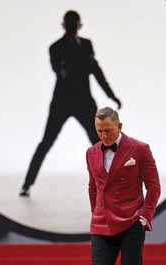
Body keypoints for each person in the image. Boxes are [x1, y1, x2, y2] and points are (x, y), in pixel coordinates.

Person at [81, 107, 160, 265]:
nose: (103, 136)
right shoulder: (91, 152)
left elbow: (154, 187)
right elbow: (93, 187)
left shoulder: (139, 149)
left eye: (108, 131)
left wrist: (144, 216)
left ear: (120, 127)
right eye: (99, 131)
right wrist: (97, 213)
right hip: (102, 224)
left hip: (130, 223)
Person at [21, 10, 121, 197]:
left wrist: (111, 94)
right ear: (64, 25)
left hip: (83, 101)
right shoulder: (55, 48)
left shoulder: (86, 45)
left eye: (75, 24)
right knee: (47, 142)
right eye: (70, 24)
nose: (72, 27)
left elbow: (96, 71)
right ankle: (26, 184)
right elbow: (59, 70)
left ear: (79, 25)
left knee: (100, 143)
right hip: (63, 102)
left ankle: (111, 184)